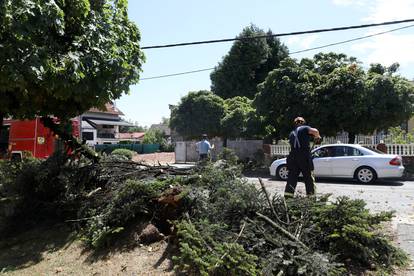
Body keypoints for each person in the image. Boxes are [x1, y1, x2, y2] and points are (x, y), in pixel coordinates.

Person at [284, 117, 321, 198]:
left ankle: (288, 198)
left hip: (292, 157)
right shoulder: (305, 128)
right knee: (308, 178)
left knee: (291, 178)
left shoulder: (291, 133)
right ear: (303, 123)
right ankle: (311, 198)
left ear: (295, 124)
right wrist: (317, 137)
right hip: (304, 156)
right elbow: (315, 131)